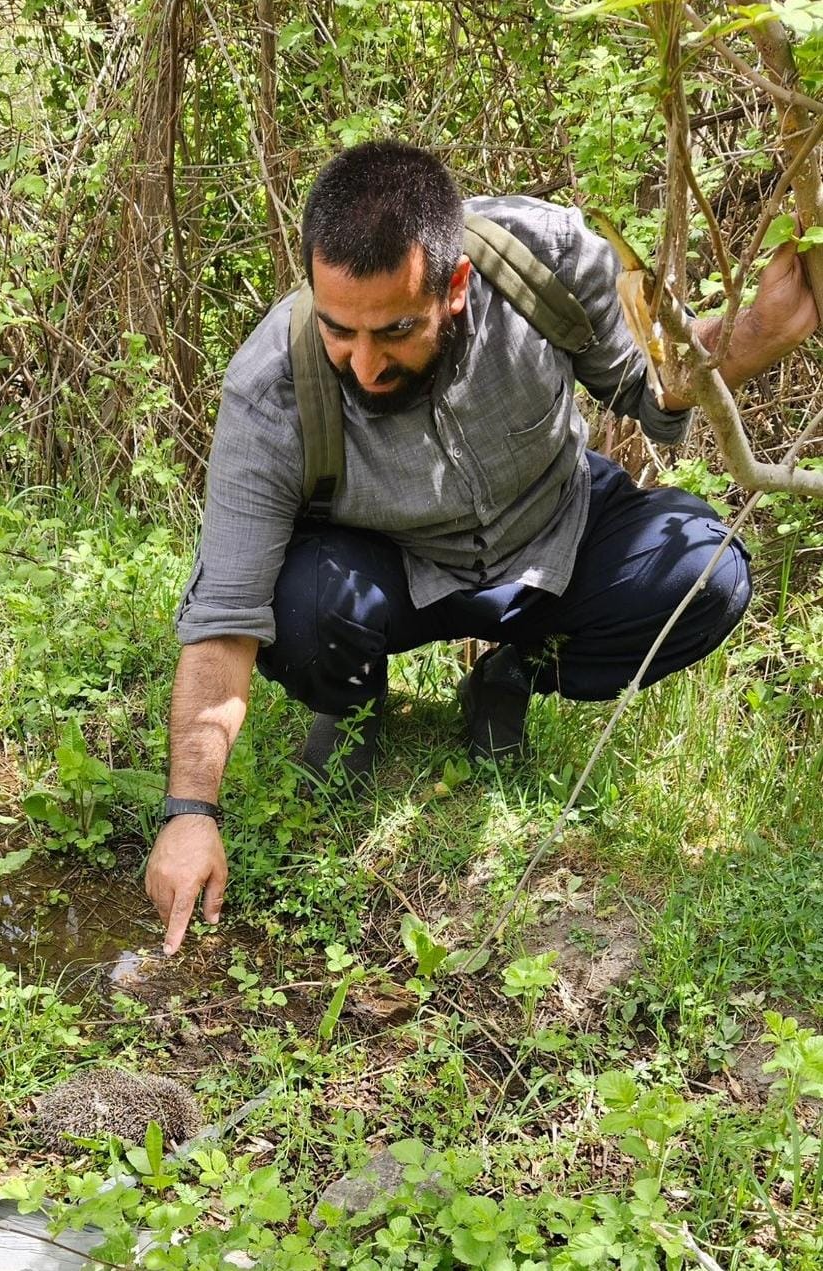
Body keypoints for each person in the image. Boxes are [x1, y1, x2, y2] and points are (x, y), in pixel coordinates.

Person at [145, 140, 818, 956]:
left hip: (554, 530)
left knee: (706, 573)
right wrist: (190, 812)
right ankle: (352, 707)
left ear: (455, 286)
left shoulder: (549, 260)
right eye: (338, 330)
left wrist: (762, 328)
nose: (363, 364)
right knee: (297, 606)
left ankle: (511, 676)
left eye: (395, 330)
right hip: (394, 566)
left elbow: (654, 384)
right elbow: (223, 618)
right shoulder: (270, 386)